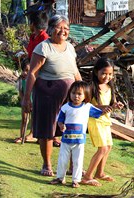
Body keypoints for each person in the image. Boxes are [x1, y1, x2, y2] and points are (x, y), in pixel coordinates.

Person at [22, 15, 82, 176]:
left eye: (66, 29)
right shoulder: (43, 48)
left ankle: (72, 166)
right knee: (47, 129)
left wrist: (83, 89)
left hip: (70, 95)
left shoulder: (70, 47)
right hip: (47, 93)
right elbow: (33, 74)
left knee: (71, 129)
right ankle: (47, 165)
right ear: (50, 29)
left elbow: (74, 70)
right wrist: (26, 98)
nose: (63, 31)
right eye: (59, 27)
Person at [50, 81, 104, 188]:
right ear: (70, 94)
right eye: (74, 93)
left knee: (78, 161)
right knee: (62, 159)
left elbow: (99, 112)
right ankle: (60, 177)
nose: (76, 96)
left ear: (85, 95)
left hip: (79, 141)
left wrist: (112, 107)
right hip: (66, 140)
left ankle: (76, 180)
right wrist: (61, 126)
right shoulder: (65, 107)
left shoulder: (87, 107)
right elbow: (60, 120)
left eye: (79, 94)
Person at [81, 58, 124, 186]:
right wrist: (102, 107)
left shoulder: (110, 86)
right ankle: (87, 177)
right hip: (95, 120)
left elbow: (111, 103)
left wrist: (116, 105)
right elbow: (86, 105)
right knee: (102, 148)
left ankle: (99, 173)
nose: (107, 77)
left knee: (109, 147)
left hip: (106, 120)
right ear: (96, 72)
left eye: (110, 74)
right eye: (104, 73)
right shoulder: (91, 87)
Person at [21, 10, 50, 143]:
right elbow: (29, 56)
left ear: (33, 24)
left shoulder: (45, 39)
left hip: (44, 77)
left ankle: (42, 134)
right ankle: (35, 133)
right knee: (33, 105)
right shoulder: (33, 38)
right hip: (33, 76)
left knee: (42, 107)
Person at [14, 58, 36, 143]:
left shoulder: (36, 80)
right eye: (24, 70)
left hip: (35, 103)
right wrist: (24, 102)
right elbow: (21, 92)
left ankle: (32, 135)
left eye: (28, 70)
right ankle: (21, 136)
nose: (26, 73)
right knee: (24, 119)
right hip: (25, 103)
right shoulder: (21, 80)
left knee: (34, 120)